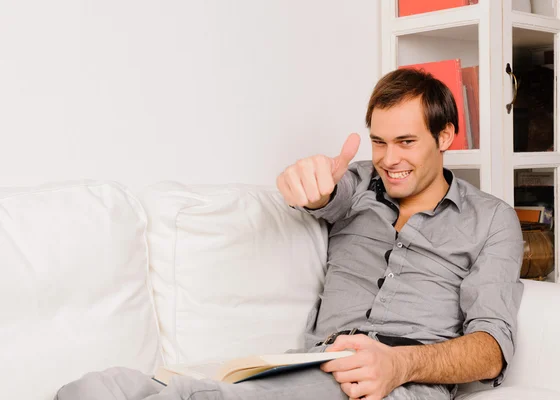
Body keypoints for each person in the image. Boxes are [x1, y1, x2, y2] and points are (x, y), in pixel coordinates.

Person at [55, 68, 524, 400]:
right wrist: (308, 184)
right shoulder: (362, 185)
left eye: (406, 142)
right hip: (312, 365)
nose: (389, 158)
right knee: (99, 387)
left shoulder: (491, 220)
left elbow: (491, 350)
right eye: (379, 142)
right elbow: (325, 193)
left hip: (399, 381)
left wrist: (399, 364)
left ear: (445, 137)